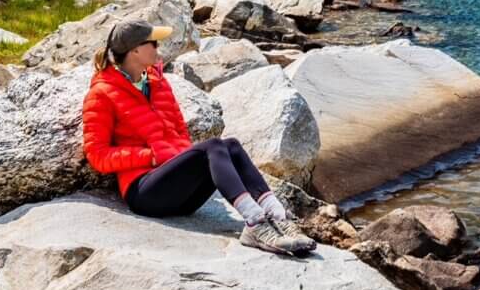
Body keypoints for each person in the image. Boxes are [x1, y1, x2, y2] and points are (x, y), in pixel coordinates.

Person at [81, 19, 315, 256]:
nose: (158, 48)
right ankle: (254, 223)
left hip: (179, 192)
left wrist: (180, 159)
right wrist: (152, 157)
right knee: (213, 146)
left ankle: (278, 217)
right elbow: (97, 155)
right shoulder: (102, 93)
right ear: (135, 50)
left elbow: (181, 132)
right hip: (144, 193)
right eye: (153, 43)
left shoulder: (158, 83)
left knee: (231, 145)